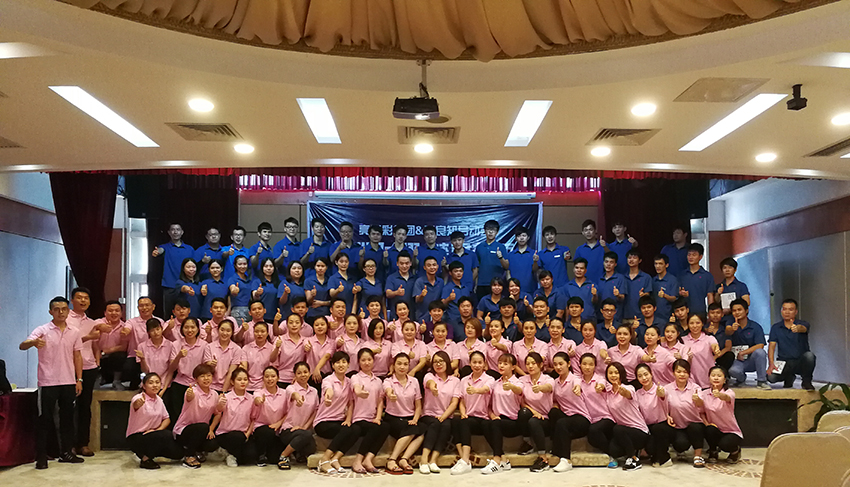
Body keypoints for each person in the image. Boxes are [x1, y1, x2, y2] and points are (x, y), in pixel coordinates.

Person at [19, 296, 85, 469]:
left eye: (64, 309)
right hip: (47, 381)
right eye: (57, 309)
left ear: (68, 311)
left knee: (67, 419)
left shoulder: (74, 331)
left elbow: (78, 356)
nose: (61, 312)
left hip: (68, 381)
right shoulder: (43, 330)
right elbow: (23, 345)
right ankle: (41, 456)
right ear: (51, 312)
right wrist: (33, 342)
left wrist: (79, 379)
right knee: (45, 419)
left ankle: (67, 452)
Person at [65, 287, 99, 457]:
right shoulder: (65, 320)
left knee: (85, 407)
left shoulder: (91, 322)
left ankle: (83, 444)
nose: (83, 301)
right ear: (72, 300)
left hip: (89, 367)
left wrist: (97, 362)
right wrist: (88, 337)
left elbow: (95, 345)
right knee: (68, 407)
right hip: (69, 368)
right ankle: (68, 444)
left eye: (86, 298)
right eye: (79, 297)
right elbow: (69, 343)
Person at [126, 373, 184, 469]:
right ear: (144, 386)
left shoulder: (159, 400)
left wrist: (156, 430)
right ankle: (145, 458)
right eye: (151, 383)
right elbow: (135, 404)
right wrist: (137, 404)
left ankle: (149, 453)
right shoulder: (139, 398)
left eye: (157, 382)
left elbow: (167, 419)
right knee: (166, 435)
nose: (155, 385)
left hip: (154, 435)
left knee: (178, 453)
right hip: (138, 436)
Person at [314, 351, 358, 474]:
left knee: (355, 429)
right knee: (346, 430)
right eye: (337, 362)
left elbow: (350, 403)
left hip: (339, 421)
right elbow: (329, 390)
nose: (341, 365)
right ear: (333, 365)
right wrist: (328, 397)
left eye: (344, 362)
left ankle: (335, 458)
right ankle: (324, 459)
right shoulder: (328, 380)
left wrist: (348, 419)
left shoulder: (349, 382)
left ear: (348, 365)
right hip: (323, 422)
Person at [450, 351, 493, 475]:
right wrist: (463, 413)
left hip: (483, 418)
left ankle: (465, 460)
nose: (477, 365)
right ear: (469, 363)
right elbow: (462, 401)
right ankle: (463, 458)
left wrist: (475, 390)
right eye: (474, 362)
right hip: (469, 416)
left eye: (480, 362)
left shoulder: (489, 379)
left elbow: (486, 389)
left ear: (484, 364)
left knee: (465, 423)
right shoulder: (464, 380)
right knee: (456, 420)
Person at [600, 362, 648, 471]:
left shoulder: (628, 387)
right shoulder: (608, 393)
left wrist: (623, 392)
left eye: (616, 373)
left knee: (617, 429)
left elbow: (628, 394)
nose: (613, 375)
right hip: (623, 433)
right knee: (614, 450)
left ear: (621, 374)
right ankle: (634, 451)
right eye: (610, 373)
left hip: (639, 431)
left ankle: (634, 459)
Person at [418, 350, 460, 474]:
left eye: (441, 361)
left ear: (447, 363)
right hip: (428, 414)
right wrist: (433, 387)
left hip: (445, 414)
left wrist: (443, 416)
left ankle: (433, 460)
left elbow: (454, 403)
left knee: (446, 425)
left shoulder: (455, 381)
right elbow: (429, 383)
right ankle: (424, 459)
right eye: (435, 362)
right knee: (435, 424)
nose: (438, 364)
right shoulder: (429, 376)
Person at [350, 349, 390, 474]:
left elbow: (380, 401)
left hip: (372, 418)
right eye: (363, 360)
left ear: (373, 361)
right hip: (359, 418)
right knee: (374, 428)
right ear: (358, 362)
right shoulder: (355, 377)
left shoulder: (378, 381)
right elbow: (356, 389)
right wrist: (360, 392)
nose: (366, 363)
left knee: (385, 426)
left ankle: (368, 459)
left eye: (369, 359)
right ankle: (357, 460)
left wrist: (378, 417)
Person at [382, 353, 423, 474]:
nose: (402, 367)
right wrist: (390, 394)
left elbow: (418, 405)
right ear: (393, 365)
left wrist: (415, 419)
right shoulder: (388, 381)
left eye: (405, 364)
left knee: (423, 429)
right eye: (399, 364)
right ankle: (392, 460)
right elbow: (387, 390)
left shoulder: (414, 381)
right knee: (412, 429)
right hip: (393, 418)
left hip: (409, 417)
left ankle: (404, 459)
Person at [550, 351, 591, 472]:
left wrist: (577, 388)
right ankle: (556, 450)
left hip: (581, 418)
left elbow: (578, 384)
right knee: (553, 413)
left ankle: (566, 460)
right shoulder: (555, 382)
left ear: (568, 364)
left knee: (562, 423)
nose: (558, 367)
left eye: (561, 364)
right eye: (555, 364)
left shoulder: (575, 379)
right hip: (566, 417)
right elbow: (555, 401)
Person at [661, 359, 706, 467]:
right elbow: (662, 408)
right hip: (677, 426)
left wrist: (698, 400)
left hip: (694, 425)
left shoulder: (695, 388)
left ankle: (698, 456)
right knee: (681, 445)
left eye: (685, 372)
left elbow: (701, 405)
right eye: (679, 371)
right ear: (673, 373)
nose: (682, 374)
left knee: (696, 427)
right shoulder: (667, 389)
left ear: (689, 373)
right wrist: (667, 416)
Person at [173, 364, 220, 468]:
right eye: (202, 376)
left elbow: (217, 414)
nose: (206, 378)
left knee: (213, 444)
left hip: (202, 431)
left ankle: (196, 451)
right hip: (184, 430)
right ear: (196, 379)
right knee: (202, 427)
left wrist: (211, 429)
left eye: (208, 375)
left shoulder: (215, 394)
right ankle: (189, 456)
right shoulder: (192, 391)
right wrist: (189, 394)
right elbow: (189, 397)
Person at [517, 352, 555, 472]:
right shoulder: (522, 380)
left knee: (534, 422)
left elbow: (549, 387)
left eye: (533, 363)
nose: (530, 366)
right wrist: (534, 412)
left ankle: (543, 458)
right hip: (532, 414)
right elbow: (522, 402)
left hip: (546, 419)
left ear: (540, 365)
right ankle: (527, 443)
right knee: (523, 412)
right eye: (528, 363)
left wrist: (540, 388)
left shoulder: (547, 379)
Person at [212, 367, 257, 466]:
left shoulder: (251, 399)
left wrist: (247, 435)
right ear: (232, 382)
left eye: (245, 379)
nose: (243, 382)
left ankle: (231, 454)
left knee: (251, 457)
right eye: (239, 379)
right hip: (226, 434)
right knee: (237, 436)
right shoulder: (226, 397)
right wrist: (219, 405)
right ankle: (229, 454)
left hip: (243, 435)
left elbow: (253, 419)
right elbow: (218, 411)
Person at [767, 299, 816, 390]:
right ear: (781, 311)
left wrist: (797, 328)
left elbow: (803, 328)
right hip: (784, 362)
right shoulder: (776, 327)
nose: (787, 312)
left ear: (796, 311)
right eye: (784, 309)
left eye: (790, 309)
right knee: (771, 377)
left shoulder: (803, 323)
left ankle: (806, 382)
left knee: (809, 356)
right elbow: (771, 346)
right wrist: (771, 364)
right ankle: (789, 377)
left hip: (800, 361)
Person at [278, 363, 319, 469]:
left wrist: (304, 427)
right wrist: (298, 398)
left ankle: (296, 452)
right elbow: (294, 394)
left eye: (305, 372)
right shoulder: (290, 388)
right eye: (299, 373)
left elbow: (315, 411)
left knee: (311, 448)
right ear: (295, 375)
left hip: (304, 430)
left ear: (309, 373)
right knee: (305, 436)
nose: (303, 375)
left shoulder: (314, 391)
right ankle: (283, 456)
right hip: (289, 429)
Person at [165, 317, 207, 422]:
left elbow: (205, 368)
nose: (189, 330)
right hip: (180, 382)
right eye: (186, 327)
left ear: (198, 329)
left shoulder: (204, 345)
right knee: (177, 414)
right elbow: (172, 368)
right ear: (182, 329)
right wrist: (179, 356)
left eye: (192, 327)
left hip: (198, 384)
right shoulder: (176, 344)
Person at [579, 353, 616, 467]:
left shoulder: (600, 379)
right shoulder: (577, 381)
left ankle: (613, 454)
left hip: (606, 417)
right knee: (591, 435)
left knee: (594, 430)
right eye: (584, 364)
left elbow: (603, 385)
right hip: (589, 419)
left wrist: (600, 387)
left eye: (591, 364)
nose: (587, 367)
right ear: (580, 365)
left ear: (595, 366)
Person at [701, 366, 743, 464]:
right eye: (713, 375)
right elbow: (701, 412)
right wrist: (707, 424)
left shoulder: (729, 392)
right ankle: (713, 451)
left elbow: (727, 397)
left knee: (725, 445)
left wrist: (719, 395)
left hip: (730, 431)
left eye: (719, 376)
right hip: (714, 428)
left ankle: (735, 451)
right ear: (709, 378)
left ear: (724, 380)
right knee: (709, 429)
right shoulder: (704, 394)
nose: (716, 378)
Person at [633, 363, 672, 467]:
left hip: (661, 426)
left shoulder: (659, 389)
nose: (644, 378)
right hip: (647, 427)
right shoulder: (637, 394)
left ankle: (664, 458)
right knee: (650, 447)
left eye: (646, 374)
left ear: (651, 374)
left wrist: (661, 393)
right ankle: (654, 456)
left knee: (658, 429)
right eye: (640, 376)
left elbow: (663, 395)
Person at [152, 223, 195, 317]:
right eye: (173, 229)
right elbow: (160, 250)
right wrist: (157, 252)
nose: (175, 232)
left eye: (178, 229)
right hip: (169, 285)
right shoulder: (165, 247)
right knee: (169, 314)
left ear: (182, 232)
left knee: (187, 314)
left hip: (187, 285)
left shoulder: (190, 249)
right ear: (169, 232)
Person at [725, 299, 769, 389]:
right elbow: (727, 331)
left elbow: (760, 345)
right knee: (733, 371)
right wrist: (732, 329)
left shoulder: (755, 326)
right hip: (737, 360)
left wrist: (743, 352)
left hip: (751, 360)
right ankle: (741, 379)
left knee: (760, 352)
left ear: (746, 310)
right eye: (734, 310)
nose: (737, 312)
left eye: (739, 310)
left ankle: (761, 381)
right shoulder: (730, 324)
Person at [250, 366, 287, 467]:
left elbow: (289, 412)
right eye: (267, 376)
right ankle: (260, 455)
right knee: (266, 432)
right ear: (263, 379)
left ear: (278, 378)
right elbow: (256, 399)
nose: (270, 379)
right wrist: (259, 400)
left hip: (278, 428)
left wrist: (279, 423)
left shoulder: (285, 393)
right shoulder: (259, 392)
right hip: (262, 428)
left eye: (273, 376)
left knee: (274, 459)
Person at [125, 296, 163, 389]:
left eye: (147, 305)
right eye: (141, 306)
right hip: (136, 355)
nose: (144, 308)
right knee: (129, 366)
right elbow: (126, 328)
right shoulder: (132, 321)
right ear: (138, 308)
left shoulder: (160, 321)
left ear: (153, 307)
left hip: (154, 354)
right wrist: (124, 331)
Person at [203, 319, 245, 393]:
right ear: (217, 330)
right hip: (210, 387)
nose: (225, 333)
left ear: (232, 332)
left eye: (228, 331)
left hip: (228, 388)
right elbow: (206, 369)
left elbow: (231, 372)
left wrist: (223, 392)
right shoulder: (209, 347)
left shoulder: (237, 349)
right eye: (222, 330)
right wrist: (210, 364)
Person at [682, 313, 721, 389]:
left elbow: (715, 346)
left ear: (702, 324)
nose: (695, 326)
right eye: (691, 323)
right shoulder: (682, 340)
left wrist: (716, 350)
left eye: (698, 323)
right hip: (690, 383)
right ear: (687, 325)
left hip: (708, 381)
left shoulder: (709, 339)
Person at [96, 300, 129, 390]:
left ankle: (116, 381)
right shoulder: (98, 323)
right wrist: (100, 327)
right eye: (110, 311)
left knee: (121, 356)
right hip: (97, 355)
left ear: (121, 313)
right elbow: (93, 339)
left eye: (117, 311)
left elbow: (124, 347)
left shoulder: (125, 327)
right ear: (105, 313)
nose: (114, 313)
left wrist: (106, 351)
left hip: (112, 356)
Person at [475, 220, 509, 299]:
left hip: (497, 284)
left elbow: (507, 266)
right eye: (488, 229)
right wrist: (476, 284)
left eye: (493, 230)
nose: (490, 232)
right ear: (484, 231)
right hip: (482, 283)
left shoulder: (501, 247)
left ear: (497, 232)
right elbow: (476, 268)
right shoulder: (479, 247)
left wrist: (501, 258)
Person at [677, 243, 715, 316]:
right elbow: (676, 293)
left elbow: (710, 296)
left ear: (700, 257)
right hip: (684, 313)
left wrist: (711, 313)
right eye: (689, 255)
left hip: (700, 312)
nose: (691, 257)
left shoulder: (707, 276)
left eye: (694, 255)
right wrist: (681, 293)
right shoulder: (681, 275)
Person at [243, 322, 280, 392]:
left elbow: (273, 368)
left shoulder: (272, 349)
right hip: (248, 387)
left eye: (262, 331)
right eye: (256, 331)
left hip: (265, 387)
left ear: (267, 333)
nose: (259, 334)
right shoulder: (246, 348)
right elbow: (244, 369)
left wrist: (265, 387)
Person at [136, 319, 174, 386]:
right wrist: (142, 359)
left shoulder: (171, 345)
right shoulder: (141, 346)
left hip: (165, 383)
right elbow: (145, 371)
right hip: (149, 383)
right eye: (152, 330)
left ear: (162, 329)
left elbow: (171, 369)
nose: (156, 332)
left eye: (158, 329)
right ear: (148, 332)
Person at [275, 314, 307, 389]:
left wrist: (298, 375)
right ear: (287, 324)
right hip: (282, 378)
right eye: (291, 322)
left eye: (297, 322)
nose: (294, 325)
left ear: (301, 325)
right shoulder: (280, 339)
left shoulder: (305, 341)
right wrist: (276, 348)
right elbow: (272, 359)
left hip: (299, 379)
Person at [442, 261, 471, 338]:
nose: (458, 273)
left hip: (466, 320)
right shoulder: (447, 288)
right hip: (452, 320)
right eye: (456, 271)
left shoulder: (466, 288)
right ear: (450, 273)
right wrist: (449, 298)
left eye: (460, 271)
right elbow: (442, 304)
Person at [623, 249, 652, 322]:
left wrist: (644, 295)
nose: (631, 260)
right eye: (629, 257)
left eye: (634, 257)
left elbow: (648, 295)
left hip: (640, 316)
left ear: (640, 260)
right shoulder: (622, 277)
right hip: (624, 316)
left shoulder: (646, 277)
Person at [385, 251, 415, 321]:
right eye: (401, 263)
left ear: (410, 263)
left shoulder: (415, 278)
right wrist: (396, 292)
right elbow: (388, 293)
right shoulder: (391, 278)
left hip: (411, 315)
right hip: (395, 316)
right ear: (397, 264)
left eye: (407, 263)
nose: (404, 266)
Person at [414, 256, 445, 322]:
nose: (432, 267)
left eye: (434, 265)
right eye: (429, 265)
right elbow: (417, 300)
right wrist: (421, 295)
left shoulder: (441, 282)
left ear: (437, 266)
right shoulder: (419, 281)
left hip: (437, 317)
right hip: (423, 317)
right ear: (424, 267)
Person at [305, 316, 334, 386]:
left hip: (327, 376)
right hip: (310, 376)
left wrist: (317, 369)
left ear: (327, 326)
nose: (320, 327)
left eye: (322, 324)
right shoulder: (307, 340)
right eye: (317, 325)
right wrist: (307, 347)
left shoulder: (332, 342)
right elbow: (305, 347)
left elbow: (327, 356)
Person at [250, 257, 280, 323]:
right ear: (262, 268)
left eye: (271, 266)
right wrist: (257, 293)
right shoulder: (257, 281)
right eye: (266, 266)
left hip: (275, 316)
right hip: (260, 316)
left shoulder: (278, 283)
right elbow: (254, 297)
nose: (269, 268)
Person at [507, 226, 536, 294]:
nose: (521, 238)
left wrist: (535, 261)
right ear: (516, 238)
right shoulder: (510, 255)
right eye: (519, 236)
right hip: (514, 291)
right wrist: (511, 286)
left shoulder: (534, 254)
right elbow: (508, 272)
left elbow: (536, 270)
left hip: (530, 290)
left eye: (524, 235)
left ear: (528, 237)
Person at [706, 302, 734, 371]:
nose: (715, 315)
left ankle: (722, 373)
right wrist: (706, 332)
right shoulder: (703, 328)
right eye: (712, 313)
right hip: (705, 356)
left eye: (718, 313)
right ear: (708, 315)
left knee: (729, 355)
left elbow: (728, 347)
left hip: (720, 356)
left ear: (722, 314)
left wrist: (716, 356)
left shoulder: (725, 329)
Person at [227, 255, 254, 323]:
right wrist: (234, 290)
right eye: (240, 264)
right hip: (237, 310)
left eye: (244, 264)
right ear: (235, 266)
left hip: (249, 309)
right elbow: (232, 288)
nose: (242, 266)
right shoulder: (232, 279)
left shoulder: (249, 279)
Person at [652, 254, 679, 322]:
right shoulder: (653, 280)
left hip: (668, 316)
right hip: (655, 316)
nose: (658, 266)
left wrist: (664, 295)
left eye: (660, 264)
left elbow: (674, 298)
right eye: (656, 264)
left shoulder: (672, 280)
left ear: (666, 265)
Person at [305, 257, 332, 324]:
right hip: (312, 314)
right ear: (315, 267)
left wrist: (322, 303)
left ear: (326, 267)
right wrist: (312, 296)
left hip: (326, 314)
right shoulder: (308, 281)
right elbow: (308, 301)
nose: (320, 268)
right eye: (318, 266)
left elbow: (333, 301)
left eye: (322, 266)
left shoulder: (330, 280)